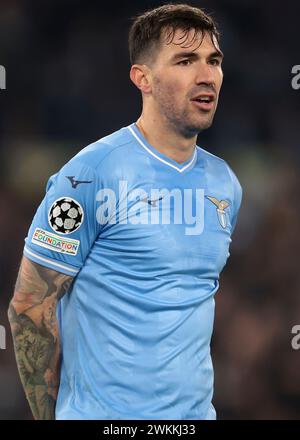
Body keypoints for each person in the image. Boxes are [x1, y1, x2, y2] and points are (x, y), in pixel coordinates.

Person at [8, 3, 242, 420]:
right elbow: (29, 306)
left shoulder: (225, 185)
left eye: (213, 60)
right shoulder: (90, 173)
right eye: (186, 61)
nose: (206, 75)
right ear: (143, 78)